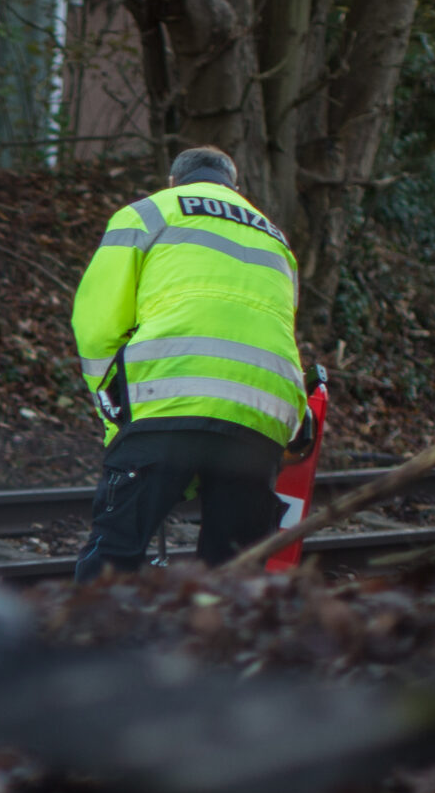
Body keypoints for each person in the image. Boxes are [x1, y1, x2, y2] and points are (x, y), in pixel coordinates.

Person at [70, 146, 317, 581]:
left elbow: (97, 325)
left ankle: (91, 642)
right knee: (234, 569)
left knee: (116, 552)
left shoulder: (147, 213)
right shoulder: (275, 237)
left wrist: (115, 415)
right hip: (261, 412)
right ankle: (219, 648)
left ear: (173, 182)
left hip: (168, 395)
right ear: (234, 189)